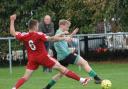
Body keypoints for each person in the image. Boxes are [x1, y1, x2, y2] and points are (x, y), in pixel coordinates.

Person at [10, 14, 91, 89]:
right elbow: (51, 38)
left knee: (25, 77)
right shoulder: (39, 34)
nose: (38, 27)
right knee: (62, 69)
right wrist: (61, 36)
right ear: (35, 26)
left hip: (32, 59)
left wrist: (12, 20)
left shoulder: (24, 35)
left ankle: (14, 88)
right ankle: (82, 80)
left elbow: (13, 32)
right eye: (37, 25)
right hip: (43, 57)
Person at [43, 19, 102, 89]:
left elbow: (65, 39)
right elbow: (56, 39)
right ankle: (96, 78)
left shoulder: (61, 33)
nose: (68, 28)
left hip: (61, 58)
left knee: (60, 74)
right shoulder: (58, 33)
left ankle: (47, 87)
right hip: (66, 56)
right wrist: (65, 38)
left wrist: (72, 34)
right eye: (67, 27)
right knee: (84, 62)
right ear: (62, 25)